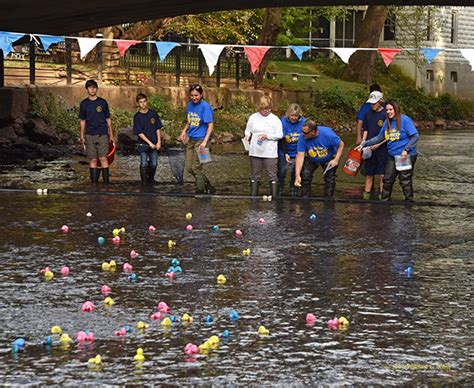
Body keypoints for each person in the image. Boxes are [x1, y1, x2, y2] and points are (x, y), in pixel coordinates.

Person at [357, 99, 419, 202]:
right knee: (387, 179)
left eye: (391, 109)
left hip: (404, 156)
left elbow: (415, 136)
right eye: (387, 110)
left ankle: (409, 201)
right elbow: (379, 137)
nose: (388, 112)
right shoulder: (387, 122)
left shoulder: (405, 120)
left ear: (396, 109)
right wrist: (364, 144)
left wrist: (406, 149)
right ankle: (385, 201)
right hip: (392, 155)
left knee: (404, 180)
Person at [178, 84, 215, 194]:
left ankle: (200, 191)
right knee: (189, 167)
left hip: (202, 141)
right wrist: (184, 131)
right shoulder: (189, 105)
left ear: (201, 95)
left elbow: (210, 125)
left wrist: (204, 142)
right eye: (192, 95)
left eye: (196, 95)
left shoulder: (205, 107)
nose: (194, 98)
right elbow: (190, 121)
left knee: (197, 167)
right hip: (191, 139)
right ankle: (208, 186)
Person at [294, 120, 345, 199]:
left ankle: (328, 198)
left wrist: (336, 159)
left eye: (306, 133)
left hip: (328, 157)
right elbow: (300, 156)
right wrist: (297, 175)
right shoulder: (302, 137)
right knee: (305, 174)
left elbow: (341, 145)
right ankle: (305, 197)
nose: (303, 134)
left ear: (313, 132)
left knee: (330, 177)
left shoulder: (328, 134)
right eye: (302, 131)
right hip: (312, 157)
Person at [244, 95, 283, 197]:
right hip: (255, 151)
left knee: (272, 175)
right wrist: (247, 136)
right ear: (259, 108)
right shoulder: (253, 117)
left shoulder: (275, 119)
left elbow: (280, 135)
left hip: (270, 152)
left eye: (268, 108)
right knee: (255, 175)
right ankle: (253, 196)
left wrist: (268, 136)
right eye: (263, 109)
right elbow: (248, 130)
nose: (265, 111)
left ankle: (274, 197)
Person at [79, 79, 114, 183]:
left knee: (103, 158)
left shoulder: (102, 102)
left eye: (94, 87)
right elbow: (82, 120)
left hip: (102, 133)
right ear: (87, 89)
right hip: (89, 134)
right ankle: (94, 183)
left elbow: (108, 118)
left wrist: (111, 133)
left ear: (97, 89)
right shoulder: (84, 104)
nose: (92, 89)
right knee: (93, 159)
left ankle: (106, 183)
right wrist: (82, 135)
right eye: (90, 87)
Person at [361, 90, 388, 200]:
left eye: (375, 103)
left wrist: (379, 144)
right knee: (369, 173)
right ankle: (366, 195)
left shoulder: (386, 114)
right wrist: (363, 142)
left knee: (382, 174)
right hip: (369, 148)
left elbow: (388, 134)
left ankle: (382, 195)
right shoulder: (367, 114)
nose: (373, 105)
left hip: (383, 148)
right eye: (371, 103)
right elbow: (366, 130)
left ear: (380, 102)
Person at [133, 93, 162, 185]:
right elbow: (139, 132)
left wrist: (158, 142)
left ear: (147, 101)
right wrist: (149, 143)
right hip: (143, 145)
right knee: (144, 163)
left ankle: (151, 179)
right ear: (138, 104)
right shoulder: (137, 116)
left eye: (144, 101)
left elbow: (157, 128)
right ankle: (144, 182)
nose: (143, 104)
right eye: (140, 102)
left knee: (154, 163)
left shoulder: (153, 113)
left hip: (154, 143)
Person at [278, 103, 305, 196]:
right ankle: (280, 187)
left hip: (298, 151)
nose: (294, 118)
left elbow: (305, 138)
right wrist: (286, 153)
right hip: (284, 149)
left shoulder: (303, 122)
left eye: (296, 116)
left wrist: (300, 153)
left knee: (295, 170)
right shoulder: (283, 122)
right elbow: (282, 138)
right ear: (288, 114)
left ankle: (293, 187)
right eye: (292, 115)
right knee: (282, 171)